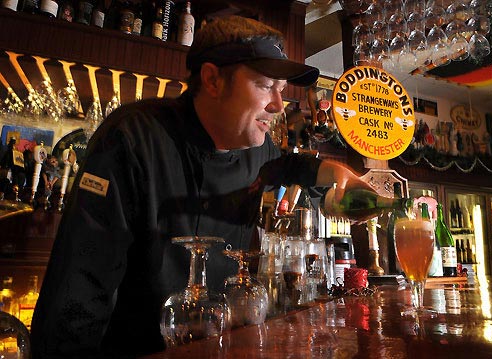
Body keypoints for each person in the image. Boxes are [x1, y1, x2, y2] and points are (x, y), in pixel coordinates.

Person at [31, 15, 374, 358]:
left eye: (281, 90)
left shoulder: (258, 150)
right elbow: (76, 299)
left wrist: (339, 176)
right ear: (213, 79)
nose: (278, 105)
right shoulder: (132, 139)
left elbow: (292, 166)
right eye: (265, 85)